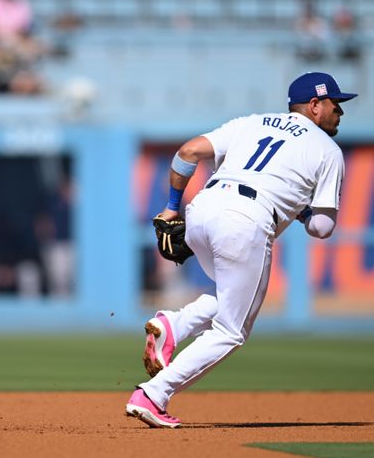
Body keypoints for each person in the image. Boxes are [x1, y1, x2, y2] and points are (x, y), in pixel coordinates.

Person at [126, 71, 356, 428]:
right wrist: (298, 206)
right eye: (335, 104)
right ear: (314, 106)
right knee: (232, 329)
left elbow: (188, 152)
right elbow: (322, 228)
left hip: (202, 209)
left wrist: (172, 207)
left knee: (230, 295)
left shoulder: (251, 122)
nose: (339, 112)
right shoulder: (328, 150)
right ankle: (154, 394)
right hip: (247, 219)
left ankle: (173, 324)